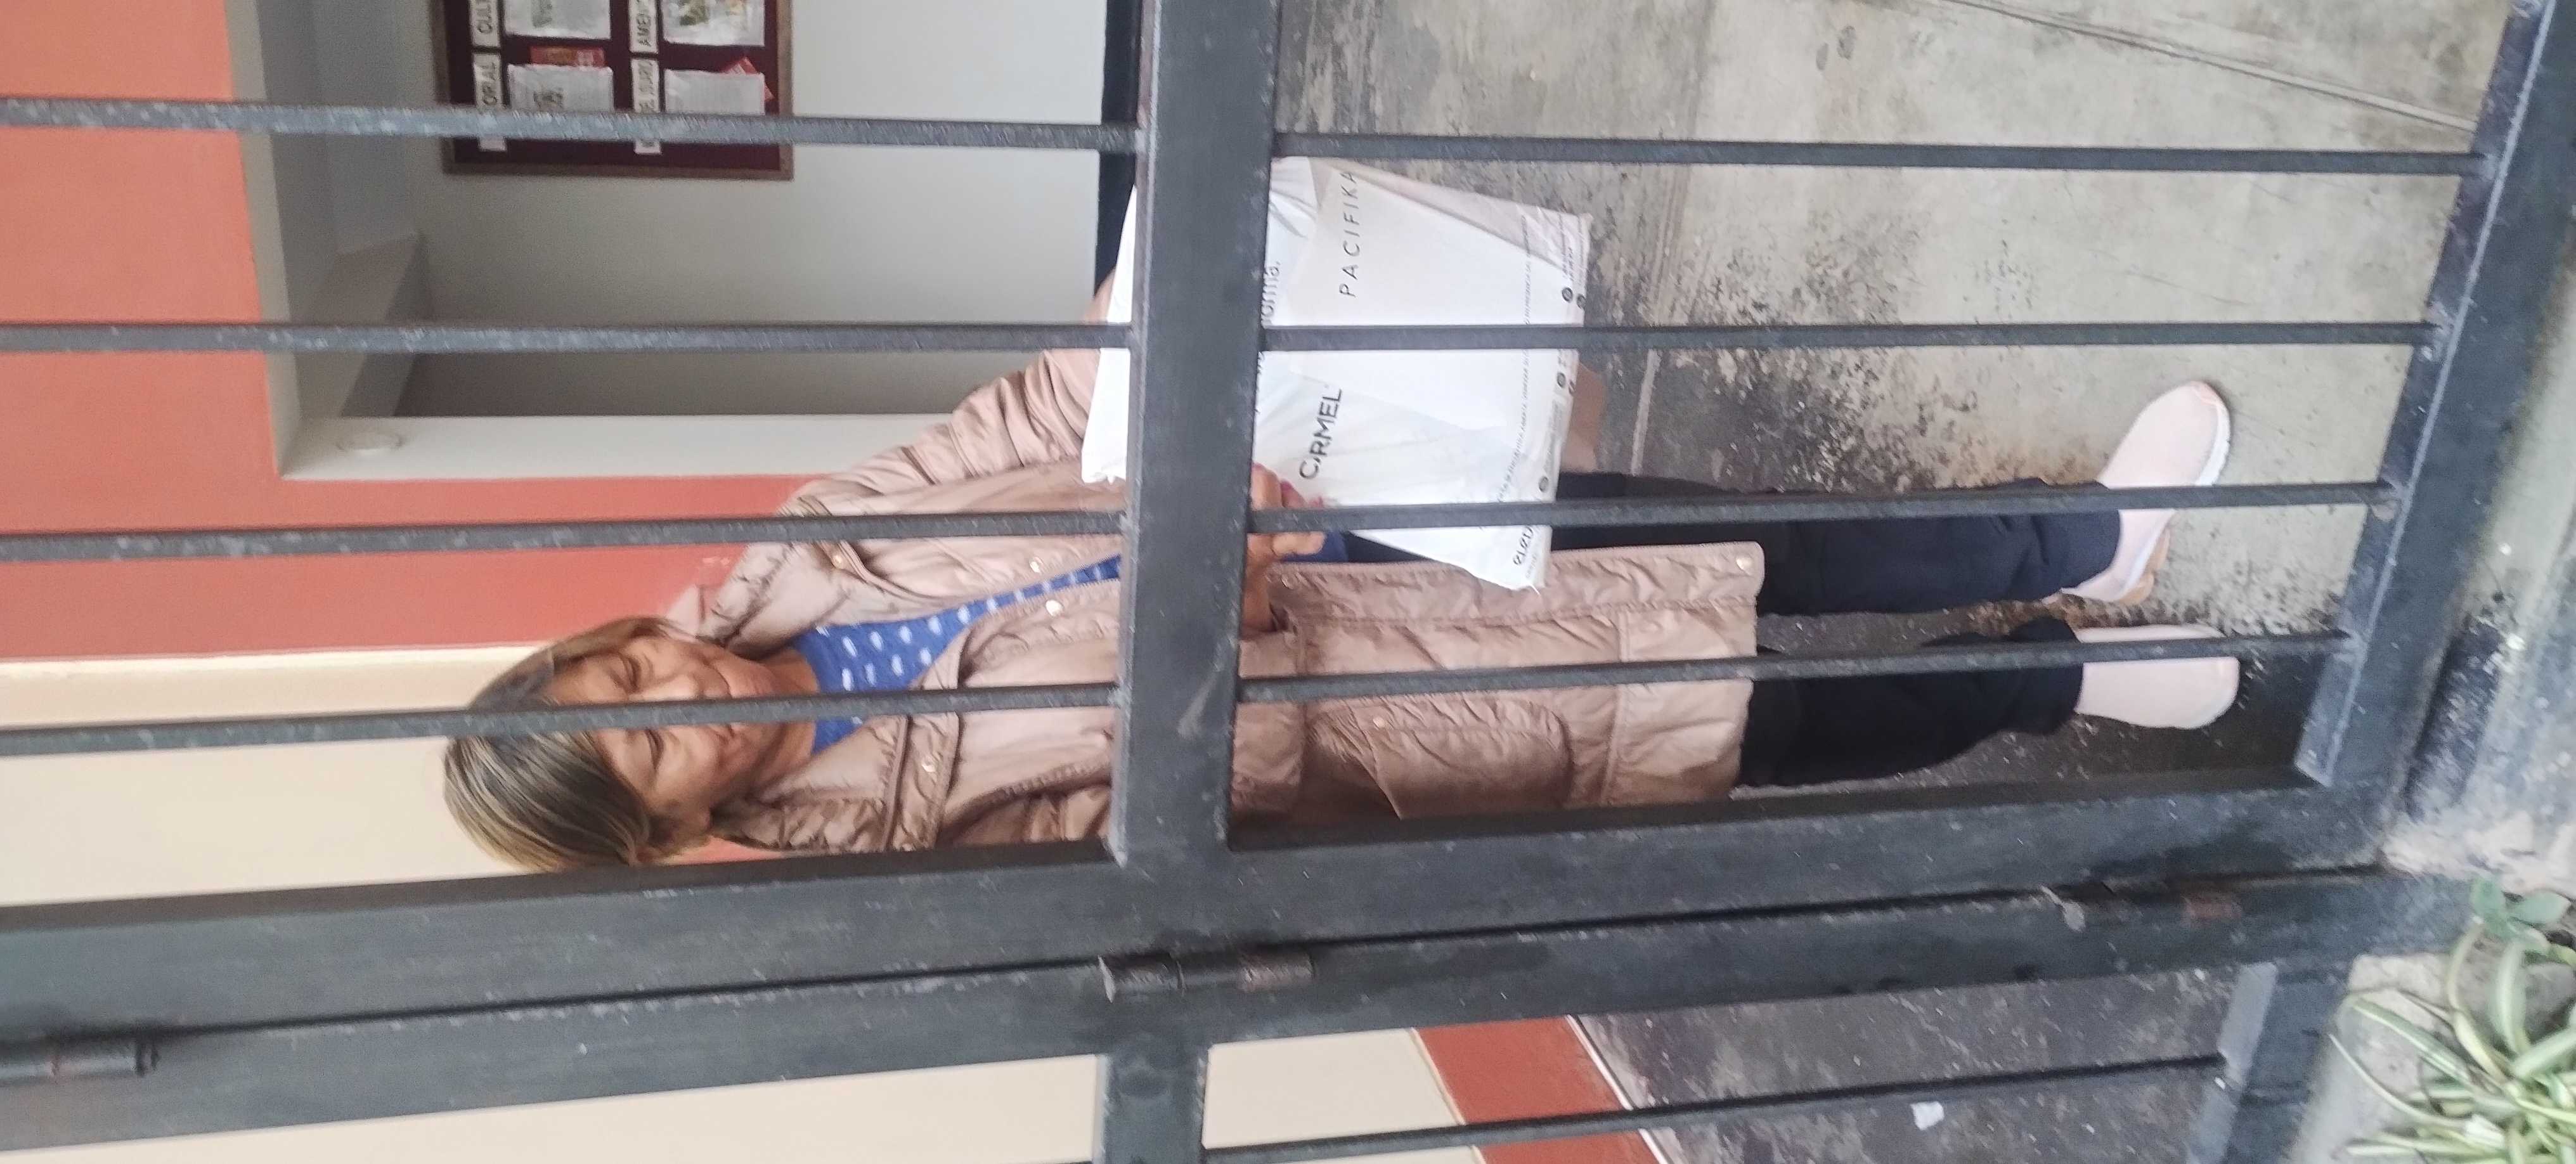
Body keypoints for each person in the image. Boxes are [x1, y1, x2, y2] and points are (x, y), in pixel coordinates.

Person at [443, 332, 2238, 870]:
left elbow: (1032, 421)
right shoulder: (873, 841)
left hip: (1358, 532)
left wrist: (1136, 340)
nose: (676, 685)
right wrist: (1217, 618)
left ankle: (2069, 546)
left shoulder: (805, 544)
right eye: (647, 743)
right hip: (1391, 703)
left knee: (1752, 542)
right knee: (1758, 716)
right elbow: (1180, 827)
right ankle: (2056, 684)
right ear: (659, 826)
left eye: (625, 666)